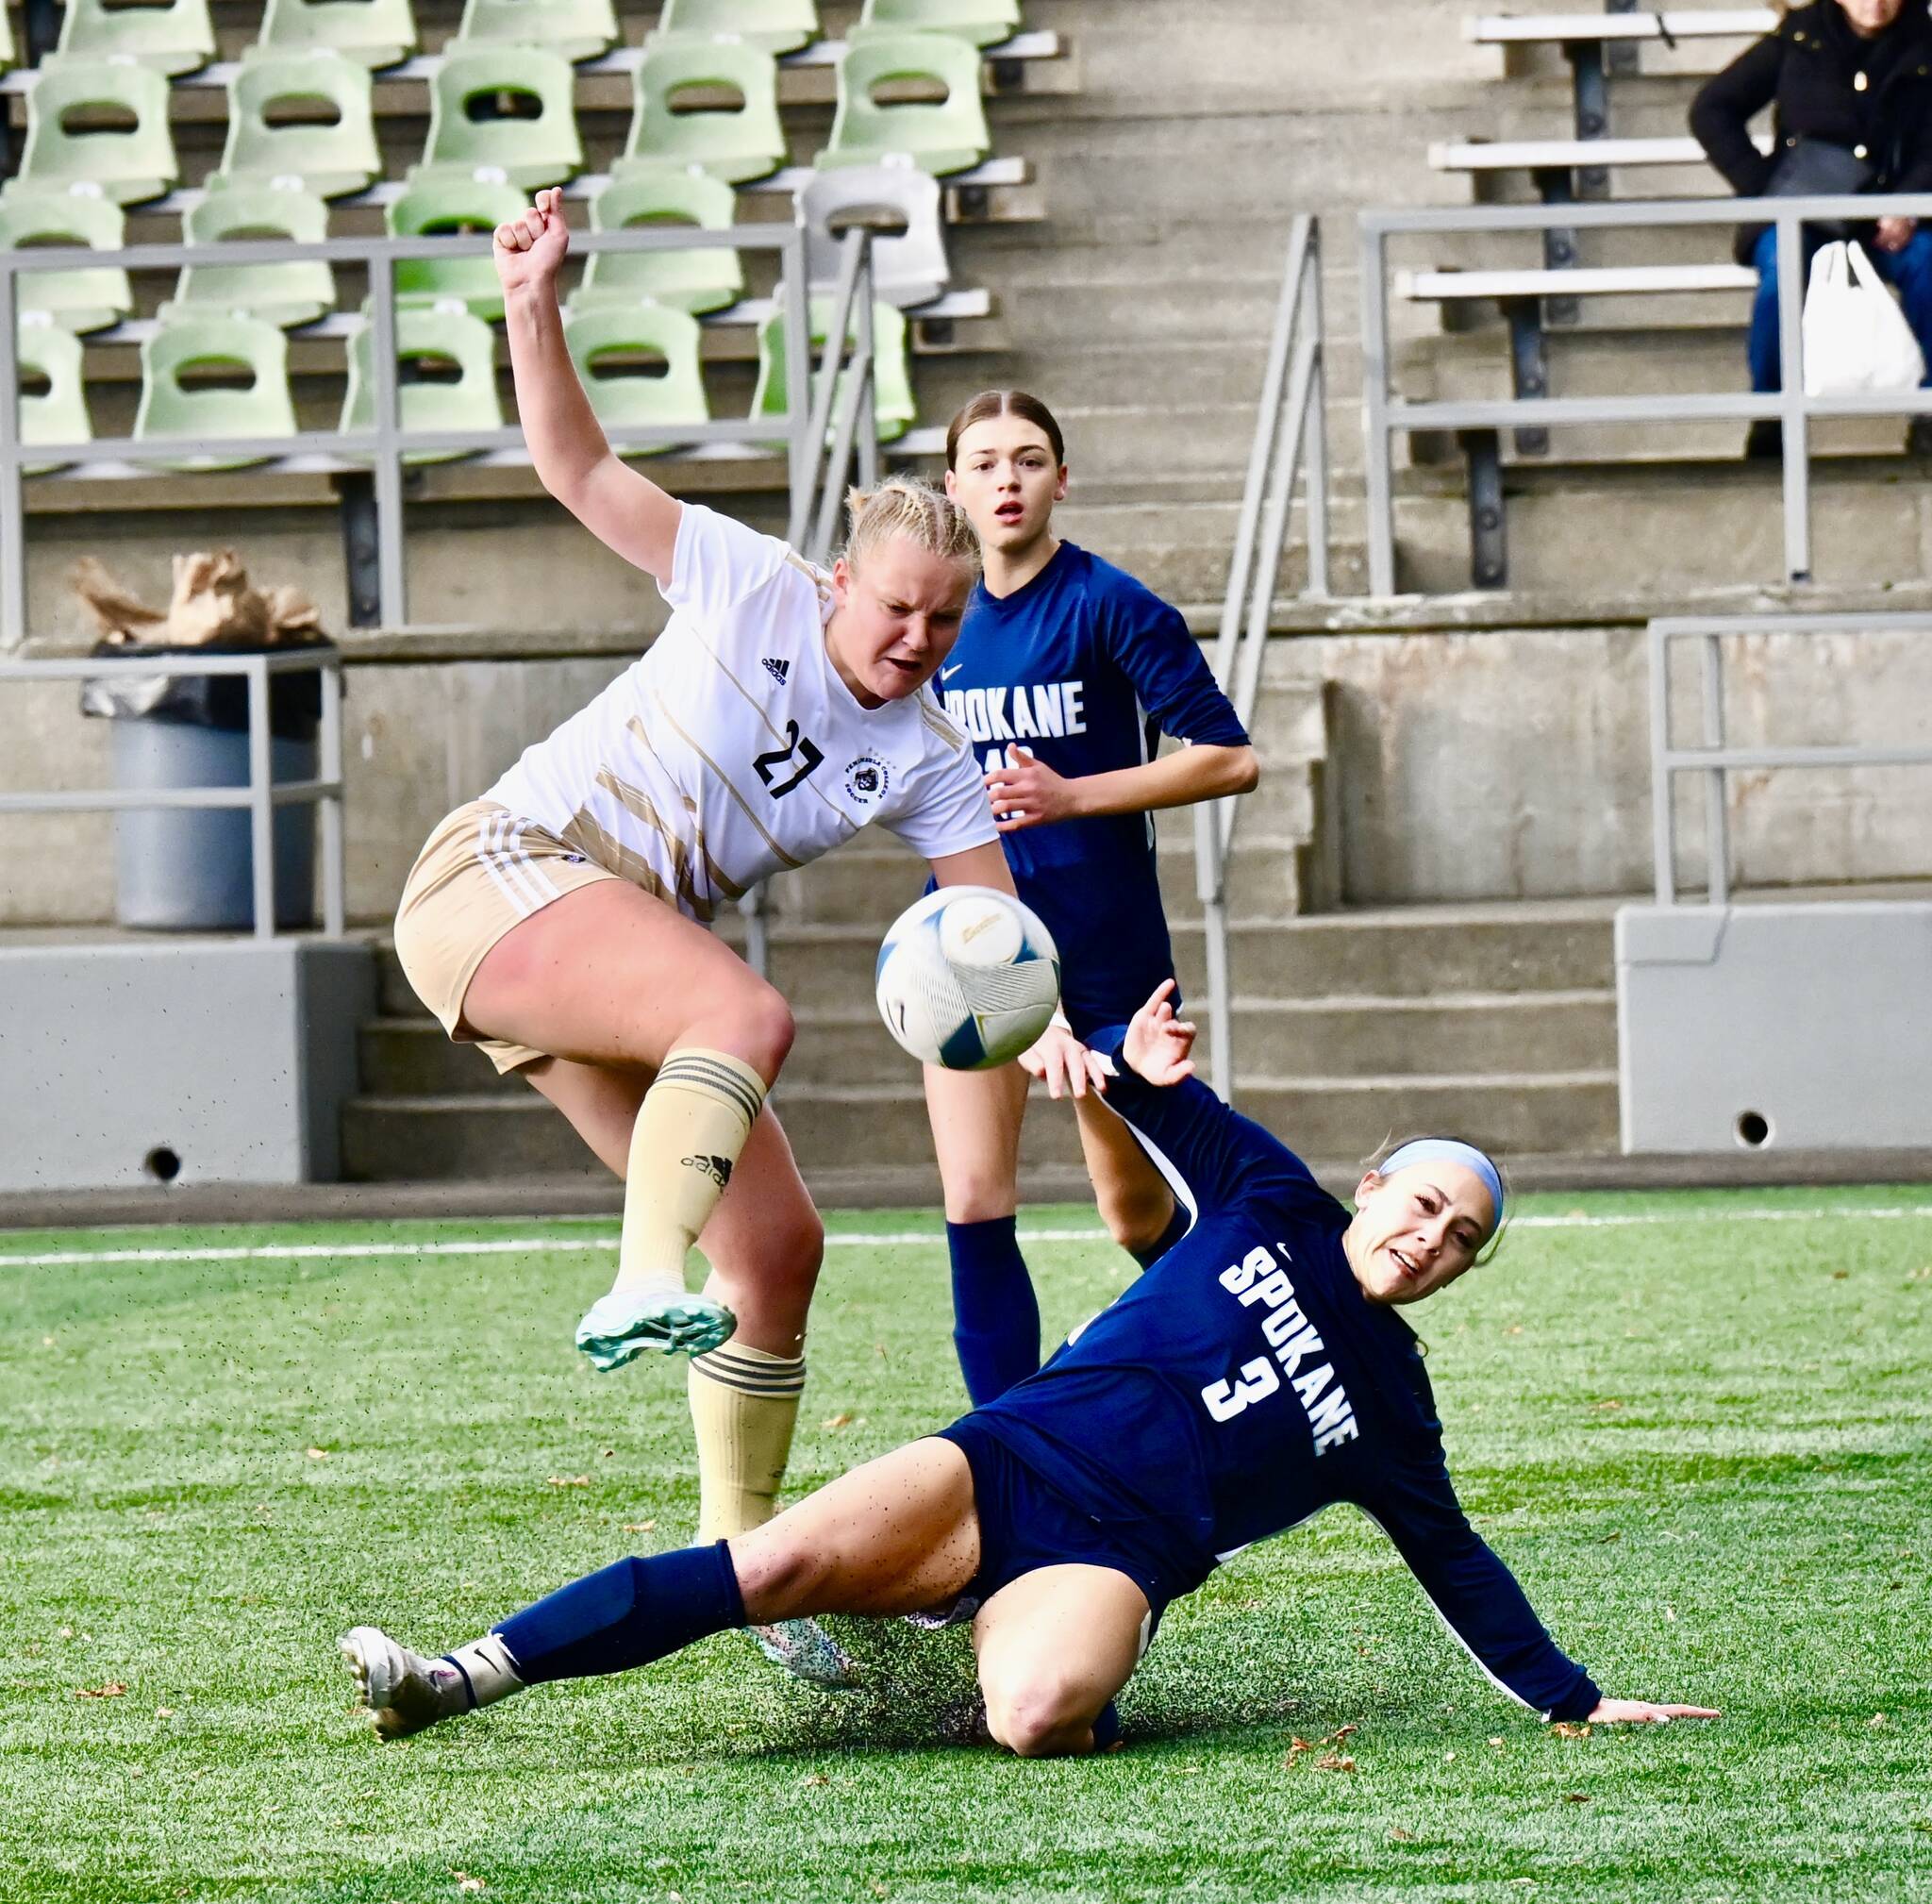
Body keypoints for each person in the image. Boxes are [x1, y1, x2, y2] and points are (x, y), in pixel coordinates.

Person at [341, 981, 1719, 1757]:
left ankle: (1006, 1631)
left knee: (1035, 1716)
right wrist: (1112, 1052)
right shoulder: (1272, 1197)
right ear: (1373, 1187)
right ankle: (455, 1673)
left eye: (1459, 1238)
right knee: (765, 1565)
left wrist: (1572, 1694)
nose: (1429, 1238)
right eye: (1422, 1204)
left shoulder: (1395, 1411)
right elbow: (1139, 1086)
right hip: (1007, 1458)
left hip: (1121, 1551)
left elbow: (1453, 1556)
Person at [390, 189, 1019, 1667]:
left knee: (782, 1248)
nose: (917, 639)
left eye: (946, 621)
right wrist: (531, 300)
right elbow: (576, 465)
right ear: (842, 580)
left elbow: (993, 926)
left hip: (609, 945)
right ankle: (641, 1277)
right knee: (744, 1013)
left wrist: (1042, 1026)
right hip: (502, 873)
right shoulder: (750, 582)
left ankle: (742, 1577)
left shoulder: (929, 750)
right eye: (898, 609)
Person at [925, 391, 1259, 1406]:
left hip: (1108, 953)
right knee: (974, 1199)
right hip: (974, 945)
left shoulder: (1110, 602)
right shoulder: (931, 616)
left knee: (1131, 1213)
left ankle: (1237, 1378)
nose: (1007, 481)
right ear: (951, 486)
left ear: (1062, 480)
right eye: (985, 463)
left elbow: (1229, 757)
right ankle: (1002, 1453)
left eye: (1029, 460)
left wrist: (1071, 796)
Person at [1689, 0, 1932, 457]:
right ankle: (1772, 414)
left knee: (1929, 266)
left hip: (1890, 218)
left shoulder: (1925, 43)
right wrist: (1767, 188)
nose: (1875, 4)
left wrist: (1907, 205)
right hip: (1804, 215)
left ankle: (1930, 412)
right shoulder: (1798, 37)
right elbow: (1712, 109)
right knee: (1782, 272)